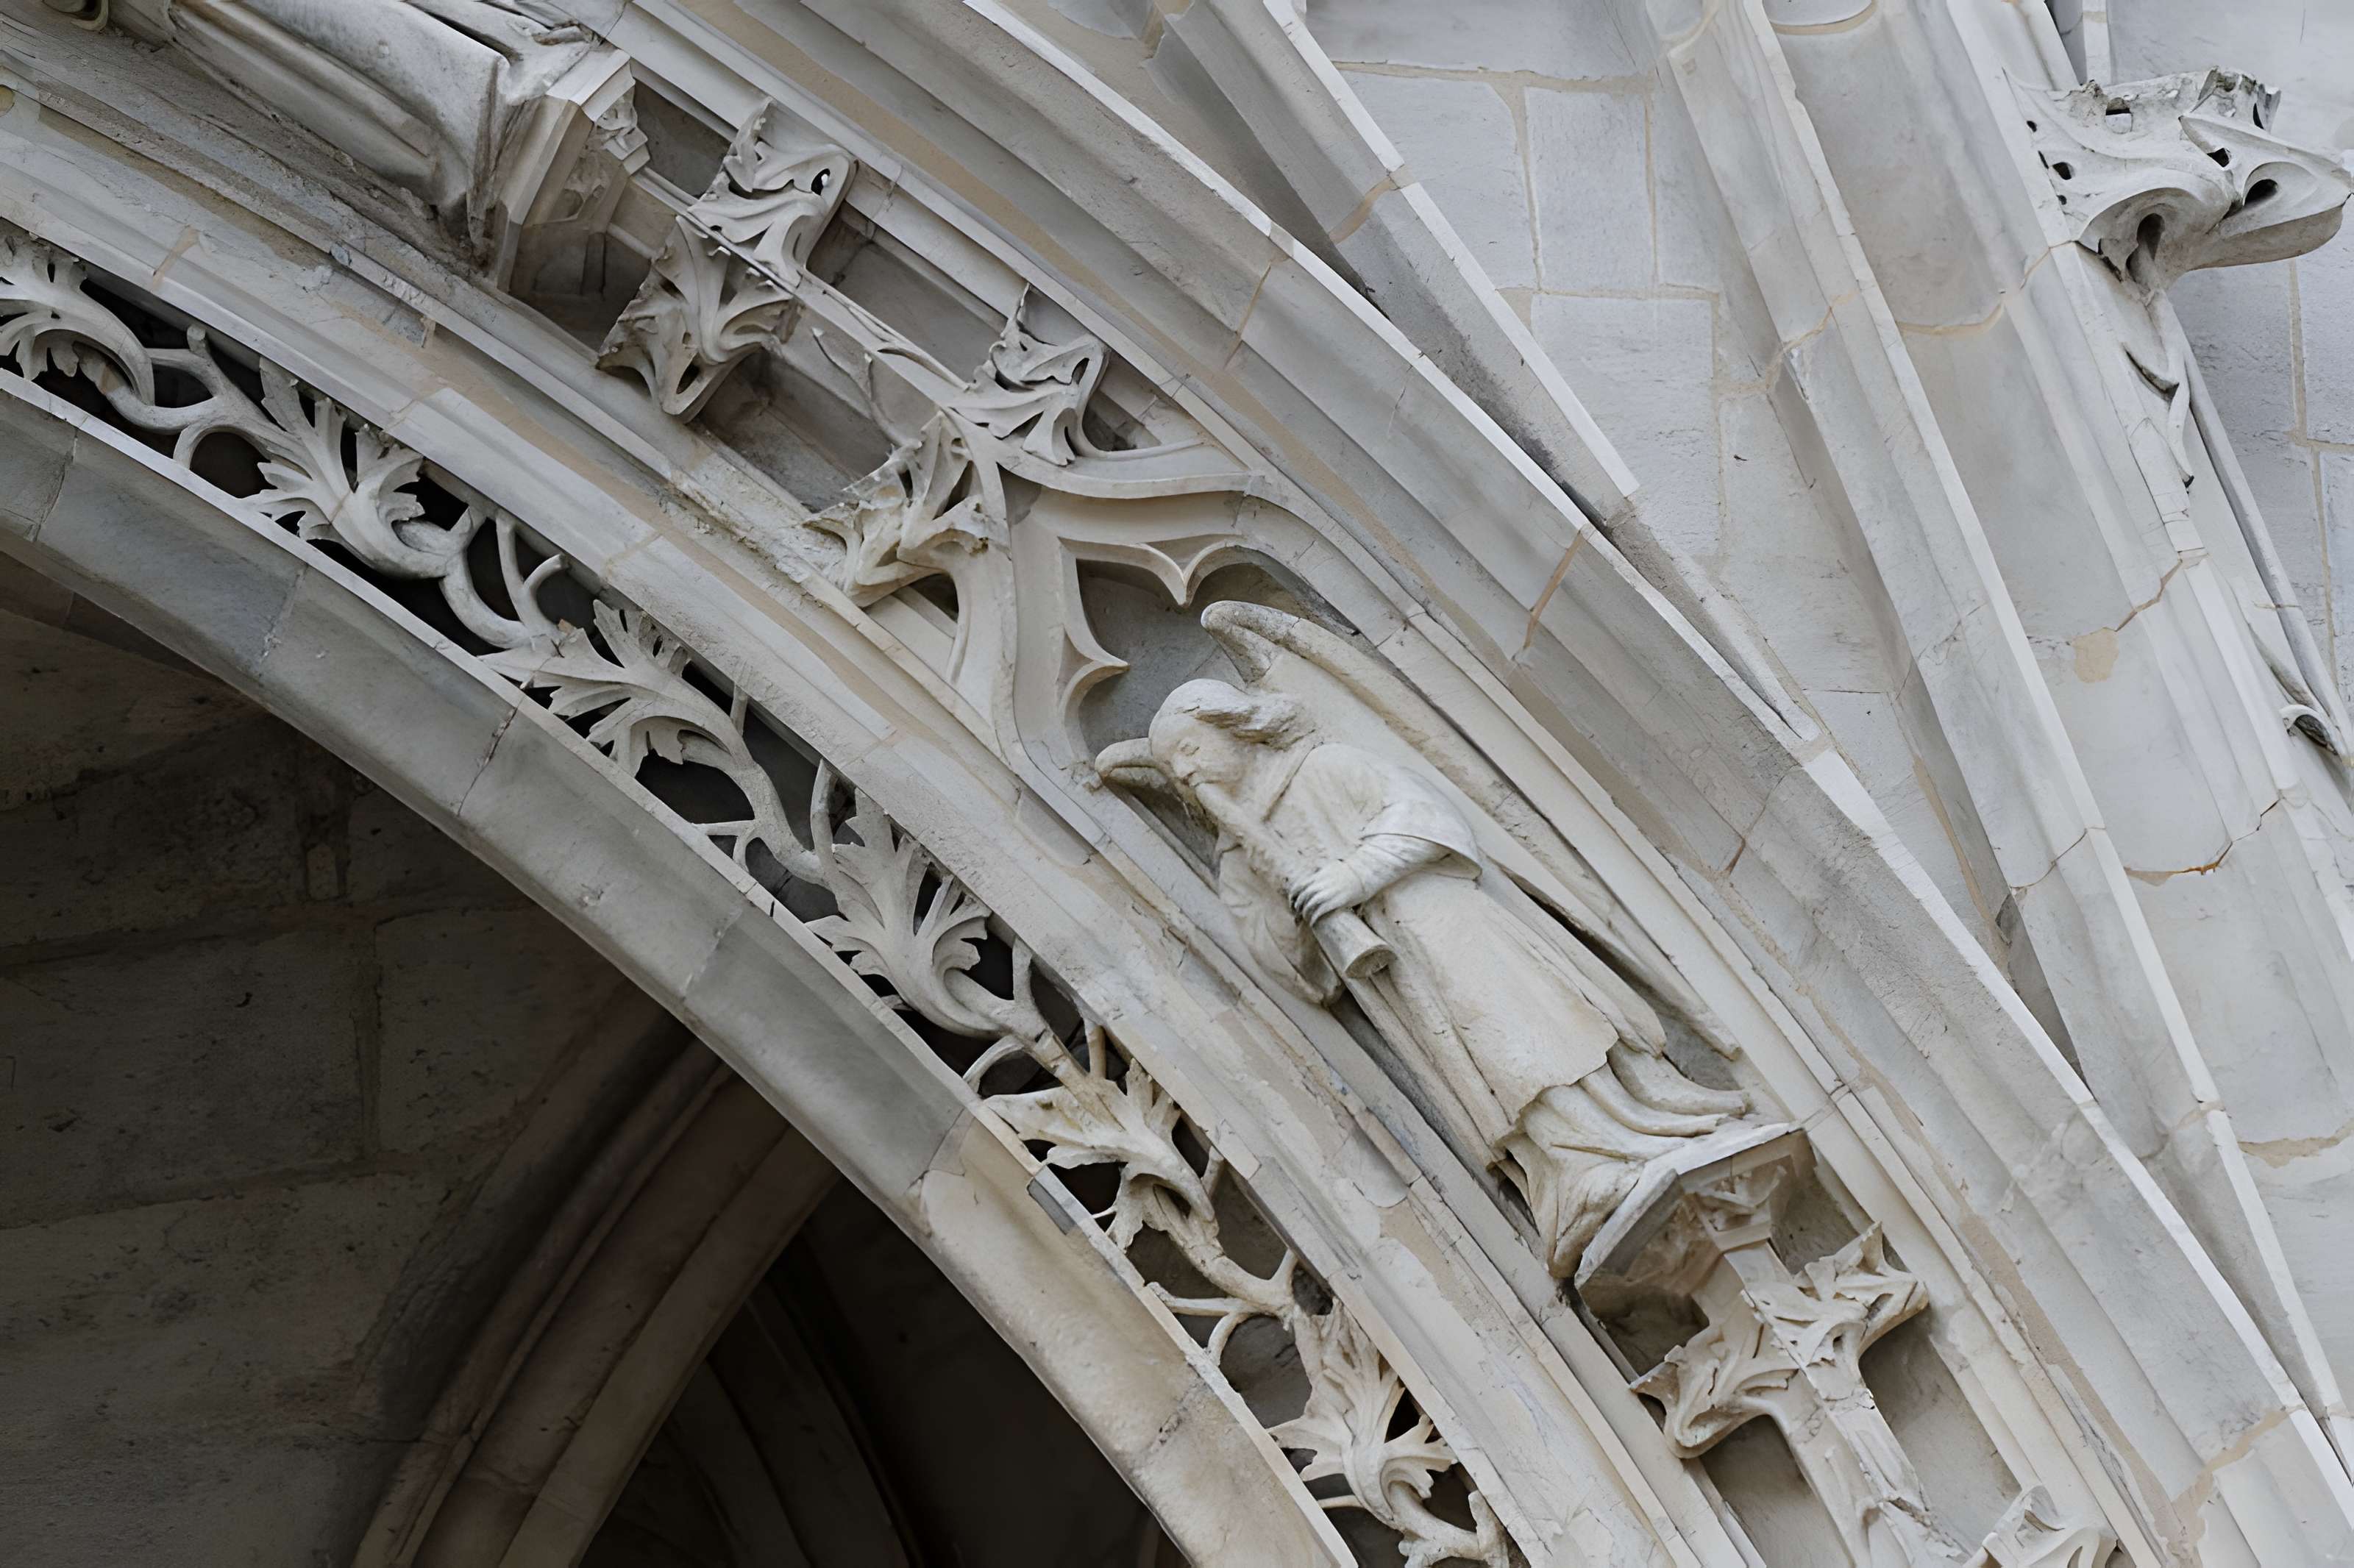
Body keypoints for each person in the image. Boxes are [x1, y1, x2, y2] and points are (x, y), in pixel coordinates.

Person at [1145, 678, 1749, 1276]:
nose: (1187, 771)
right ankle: (1570, 1172)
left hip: (1443, 919)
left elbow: (1428, 820)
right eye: (1175, 767)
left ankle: (1626, 1126)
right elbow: (1295, 972)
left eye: (1192, 748)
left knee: (1528, 1027)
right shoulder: (1238, 862)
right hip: (1398, 982)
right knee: (1479, 1068)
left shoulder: (1323, 768)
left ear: (1234, 726)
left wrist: (1354, 874)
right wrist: (1290, 908)